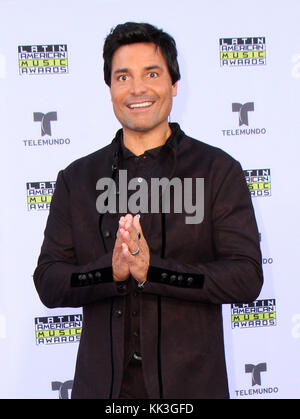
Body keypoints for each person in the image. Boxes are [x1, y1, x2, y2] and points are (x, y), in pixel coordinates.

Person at [34, 22, 263, 399]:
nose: (137, 88)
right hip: (102, 390)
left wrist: (154, 271)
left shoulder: (218, 171)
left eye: (151, 74)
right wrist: (109, 272)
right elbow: (49, 281)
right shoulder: (77, 179)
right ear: (110, 88)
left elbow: (246, 277)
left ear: (173, 84)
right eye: (123, 76)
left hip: (193, 389)